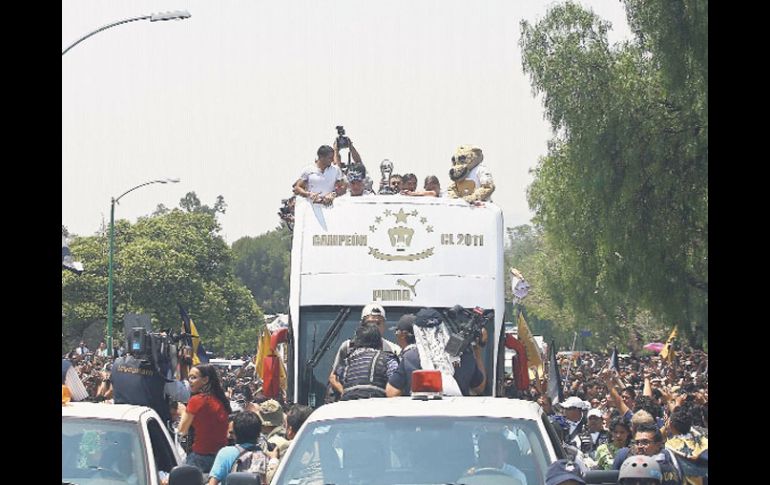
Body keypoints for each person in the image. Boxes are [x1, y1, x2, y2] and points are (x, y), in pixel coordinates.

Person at [388, 308, 484, 396]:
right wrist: (478, 353)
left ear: (417, 331)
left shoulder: (410, 358)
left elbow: (392, 392)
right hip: (455, 408)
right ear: (443, 328)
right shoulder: (464, 356)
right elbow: (479, 388)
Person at [328, 303, 401, 397]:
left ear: (384, 325)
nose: (375, 327)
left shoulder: (394, 350)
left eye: (378, 323)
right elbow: (334, 377)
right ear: (362, 325)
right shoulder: (348, 346)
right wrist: (345, 394)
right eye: (370, 323)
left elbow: (396, 382)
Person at [111, 348, 190, 426]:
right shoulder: (160, 369)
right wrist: (184, 369)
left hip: (120, 424)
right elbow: (184, 395)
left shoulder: (117, 364)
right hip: (153, 427)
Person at [178, 364, 232, 474]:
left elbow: (182, 430)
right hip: (220, 458)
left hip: (200, 458)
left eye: (194, 377)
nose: (190, 381)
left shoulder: (196, 400)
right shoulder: (221, 400)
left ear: (205, 380)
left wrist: (183, 411)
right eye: (189, 378)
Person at [207, 410, 272, 485]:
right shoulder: (266, 456)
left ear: (235, 433)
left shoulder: (225, 453)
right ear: (258, 433)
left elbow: (212, 483)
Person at [335, 324, 399, 400]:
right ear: (380, 342)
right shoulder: (387, 358)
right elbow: (396, 381)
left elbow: (338, 378)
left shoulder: (348, 360)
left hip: (348, 402)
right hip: (375, 402)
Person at [615, 423, 682, 485]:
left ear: (658, 445)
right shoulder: (630, 463)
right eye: (637, 442)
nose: (639, 446)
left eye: (645, 442)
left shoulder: (664, 468)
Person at [265, 404, 314, 483]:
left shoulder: (290, 448)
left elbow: (272, 480)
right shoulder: (323, 445)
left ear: (290, 431)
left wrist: (273, 459)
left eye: (285, 425)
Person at [385, 314, 420, 396]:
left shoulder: (408, 357)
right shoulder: (432, 354)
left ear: (403, 335)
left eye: (397, 332)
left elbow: (392, 392)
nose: (395, 335)